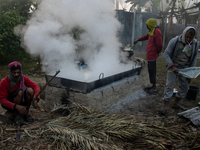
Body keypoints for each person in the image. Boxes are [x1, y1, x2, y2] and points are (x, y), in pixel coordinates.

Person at [160, 26, 199, 115]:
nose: (188, 39)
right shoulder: (175, 41)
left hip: (185, 67)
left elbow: (194, 58)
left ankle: (175, 103)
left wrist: (191, 72)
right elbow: (166, 53)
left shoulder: (195, 44)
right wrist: (172, 66)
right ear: (184, 33)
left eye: (190, 38)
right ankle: (165, 106)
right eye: (187, 36)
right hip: (174, 65)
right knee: (169, 86)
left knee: (185, 87)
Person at [134, 18, 163, 93]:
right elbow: (146, 36)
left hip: (153, 55)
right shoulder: (151, 30)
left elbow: (160, 45)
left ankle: (154, 87)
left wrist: (157, 52)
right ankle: (152, 85)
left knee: (152, 71)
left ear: (151, 24)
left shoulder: (157, 32)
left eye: (147, 25)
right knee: (150, 70)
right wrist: (138, 40)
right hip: (150, 55)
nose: (146, 26)